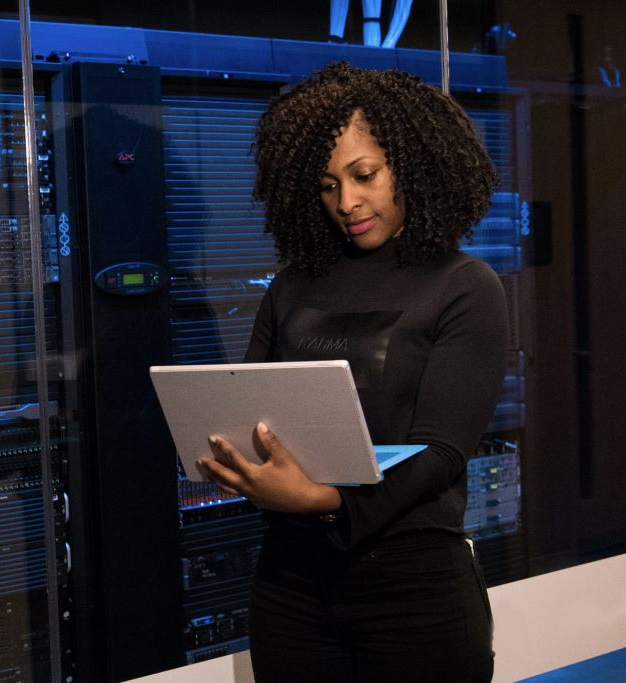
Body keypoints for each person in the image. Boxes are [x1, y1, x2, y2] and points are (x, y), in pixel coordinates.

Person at [197, 62, 508, 683]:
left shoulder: (464, 286)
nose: (347, 202)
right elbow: (248, 407)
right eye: (326, 185)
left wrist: (328, 502)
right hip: (290, 588)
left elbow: (442, 450)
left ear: (413, 166)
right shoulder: (290, 288)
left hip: (414, 592)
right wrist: (235, 461)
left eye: (365, 175)